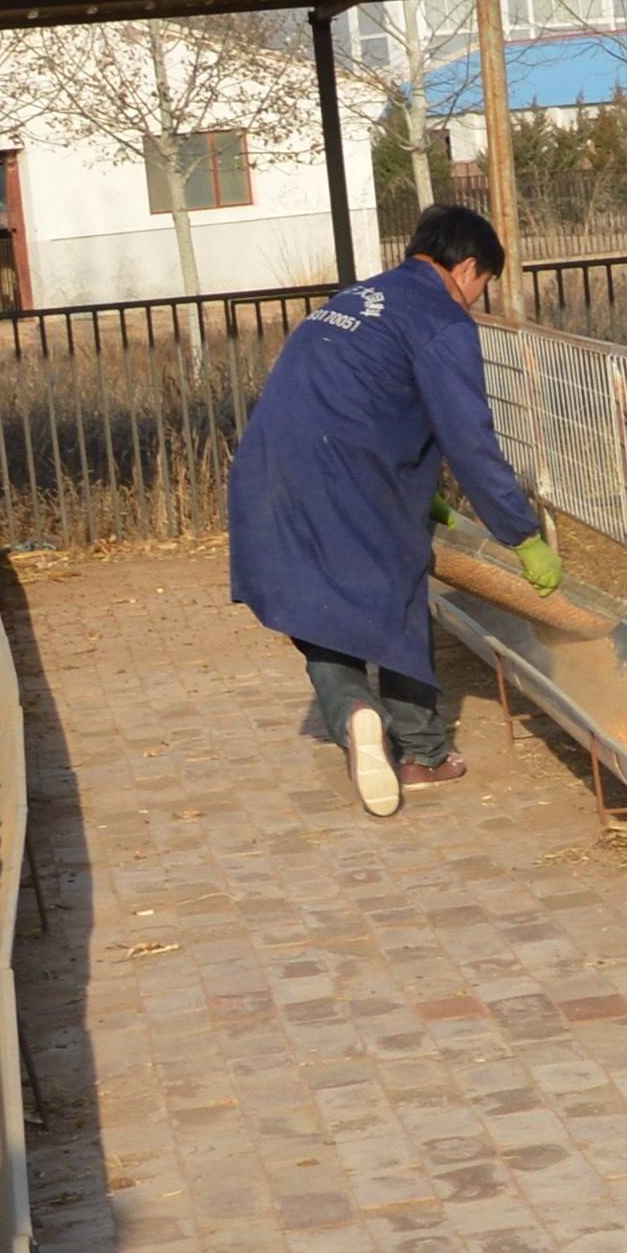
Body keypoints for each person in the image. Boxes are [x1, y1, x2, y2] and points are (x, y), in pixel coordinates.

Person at [226, 201, 560, 818]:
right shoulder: (439, 319)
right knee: (399, 587)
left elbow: (350, 394)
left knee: (314, 599)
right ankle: (423, 754)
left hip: (268, 464)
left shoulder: (353, 300)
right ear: (466, 268)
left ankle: (354, 711)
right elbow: (469, 436)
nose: (475, 299)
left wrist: (414, 480)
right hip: (347, 469)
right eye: (483, 284)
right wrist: (521, 532)